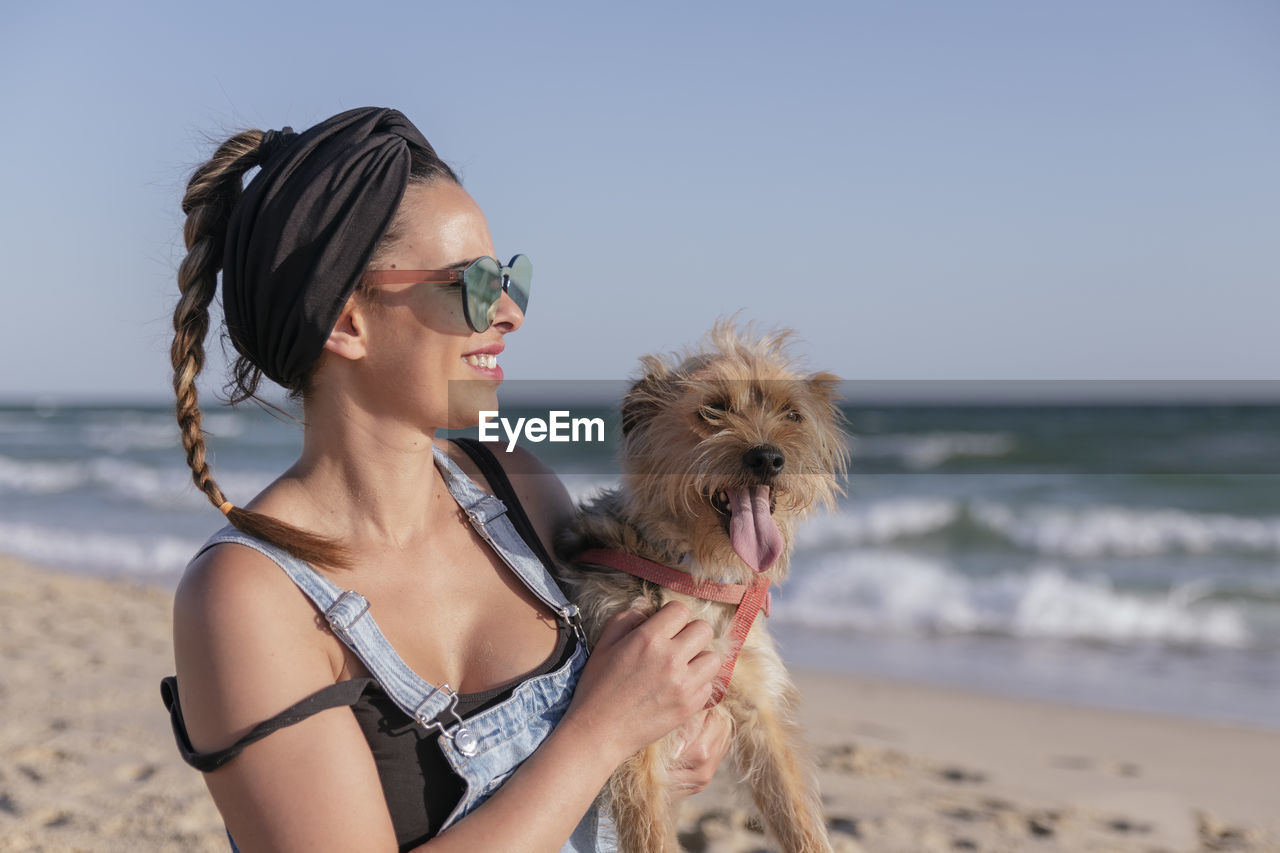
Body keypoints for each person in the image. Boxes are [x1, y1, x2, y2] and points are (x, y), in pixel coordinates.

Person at [161, 107, 729, 852]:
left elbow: (613, 755)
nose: (509, 314)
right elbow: (595, 733)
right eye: (473, 283)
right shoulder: (246, 599)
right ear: (347, 321)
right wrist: (601, 734)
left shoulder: (514, 482)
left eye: (512, 279)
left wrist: (663, 743)